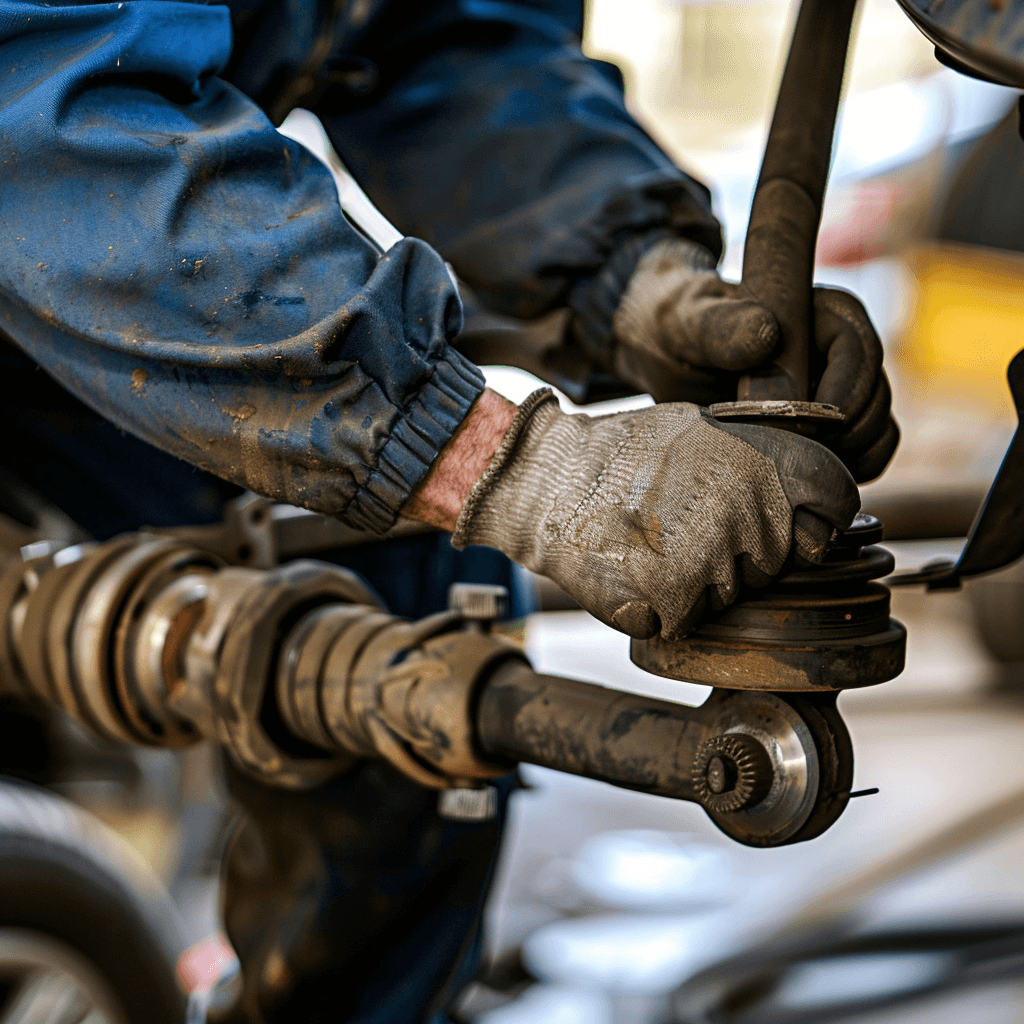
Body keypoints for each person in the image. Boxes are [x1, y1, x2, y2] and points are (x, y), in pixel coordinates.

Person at [0, 1, 899, 1020]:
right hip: (40, 217)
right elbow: (42, 101)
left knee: (397, 573)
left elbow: (442, 38)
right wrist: (498, 461)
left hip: (55, 261)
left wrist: (636, 275)